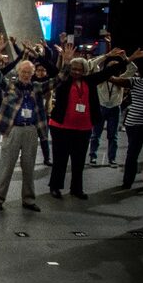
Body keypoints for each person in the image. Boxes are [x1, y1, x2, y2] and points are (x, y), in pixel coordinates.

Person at [0, 40, 69, 212]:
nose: (26, 75)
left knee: (29, 167)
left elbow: (58, 80)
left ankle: (29, 199)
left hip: (31, 130)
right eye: (23, 72)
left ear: (33, 74)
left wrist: (67, 62)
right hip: (13, 130)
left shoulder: (37, 87)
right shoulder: (10, 86)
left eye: (29, 72)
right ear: (18, 73)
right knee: (6, 166)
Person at [48, 47, 128, 200]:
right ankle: (55, 186)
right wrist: (64, 61)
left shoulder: (90, 81)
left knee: (79, 161)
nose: (76, 72)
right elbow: (51, 69)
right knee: (60, 159)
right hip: (61, 128)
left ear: (85, 70)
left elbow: (108, 72)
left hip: (83, 129)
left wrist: (127, 60)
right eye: (74, 69)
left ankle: (76, 189)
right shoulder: (64, 80)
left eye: (80, 69)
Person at [108, 49, 143, 190]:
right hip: (135, 122)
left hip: (134, 122)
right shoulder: (134, 80)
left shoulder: (134, 81)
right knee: (132, 154)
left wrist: (103, 73)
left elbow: (113, 79)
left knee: (132, 153)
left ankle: (127, 182)